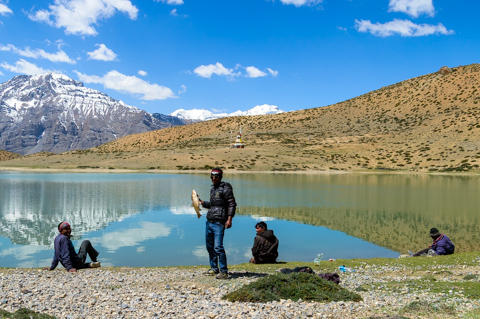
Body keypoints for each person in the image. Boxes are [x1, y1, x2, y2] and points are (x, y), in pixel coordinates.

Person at [199, 168, 237, 279]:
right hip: (209, 221)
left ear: (220, 177)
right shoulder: (213, 189)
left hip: (219, 223)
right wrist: (202, 203)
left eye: (216, 177)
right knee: (210, 247)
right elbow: (213, 204)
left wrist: (229, 219)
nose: (213, 179)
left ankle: (224, 271)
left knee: (218, 247)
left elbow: (232, 204)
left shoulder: (226, 188)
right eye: (212, 177)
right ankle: (214, 268)